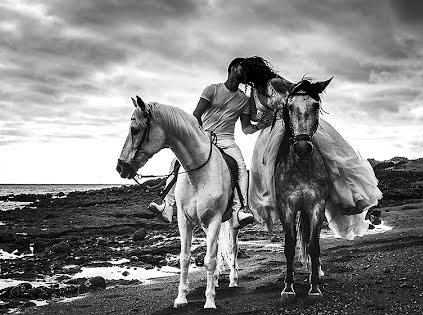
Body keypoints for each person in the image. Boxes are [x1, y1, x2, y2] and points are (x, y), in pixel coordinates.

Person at [242, 56, 382, 239]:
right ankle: (269, 198)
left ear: (253, 71)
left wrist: (295, 105)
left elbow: (299, 90)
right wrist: (261, 121)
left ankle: (343, 196)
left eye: (246, 73)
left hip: (292, 122)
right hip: (269, 129)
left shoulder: (275, 81)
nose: (244, 78)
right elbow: (253, 115)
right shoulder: (253, 92)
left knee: (330, 156)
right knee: (262, 164)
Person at [148, 58, 259, 227]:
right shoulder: (212, 89)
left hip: (226, 139)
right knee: (176, 161)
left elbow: (245, 128)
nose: (245, 72)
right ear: (233, 68)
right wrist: (198, 137)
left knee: (241, 167)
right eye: (242, 68)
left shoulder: (244, 99)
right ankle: (166, 204)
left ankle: (240, 210)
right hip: (203, 135)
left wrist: (261, 125)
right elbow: (196, 116)